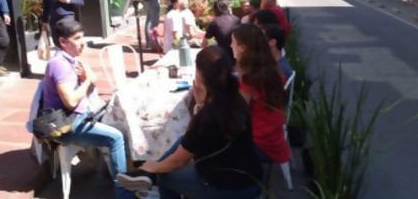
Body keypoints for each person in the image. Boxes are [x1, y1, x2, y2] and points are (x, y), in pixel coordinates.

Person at [117, 46, 263, 199]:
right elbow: (205, 136)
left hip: (224, 188)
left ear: (200, 76)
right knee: (180, 145)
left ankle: (149, 175)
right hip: (251, 179)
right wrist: (201, 105)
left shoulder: (208, 115)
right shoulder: (237, 99)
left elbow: (178, 162)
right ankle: (147, 175)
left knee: (165, 177)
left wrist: (154, 167)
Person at [42, 19, 143, 199]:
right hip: (66, 125)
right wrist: (87, 79)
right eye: (77, 38)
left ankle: (120, 173)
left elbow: (92, 80)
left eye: (83, 37)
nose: (83, 42)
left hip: (81, 116)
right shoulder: (59, 64)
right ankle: (123, 193)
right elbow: (71, 102)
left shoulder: (71, 59)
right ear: (63, 42)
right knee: (116, 138)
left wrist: (86, 79)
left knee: (125, 125)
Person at [231, 24, 290, 164]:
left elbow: (235, 117)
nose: (230, 45)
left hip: (261, 146)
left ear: (242, 48)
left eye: (232, 42)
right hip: (275, 141)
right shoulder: (271, 71)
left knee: (205, 139)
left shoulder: (250, 80)